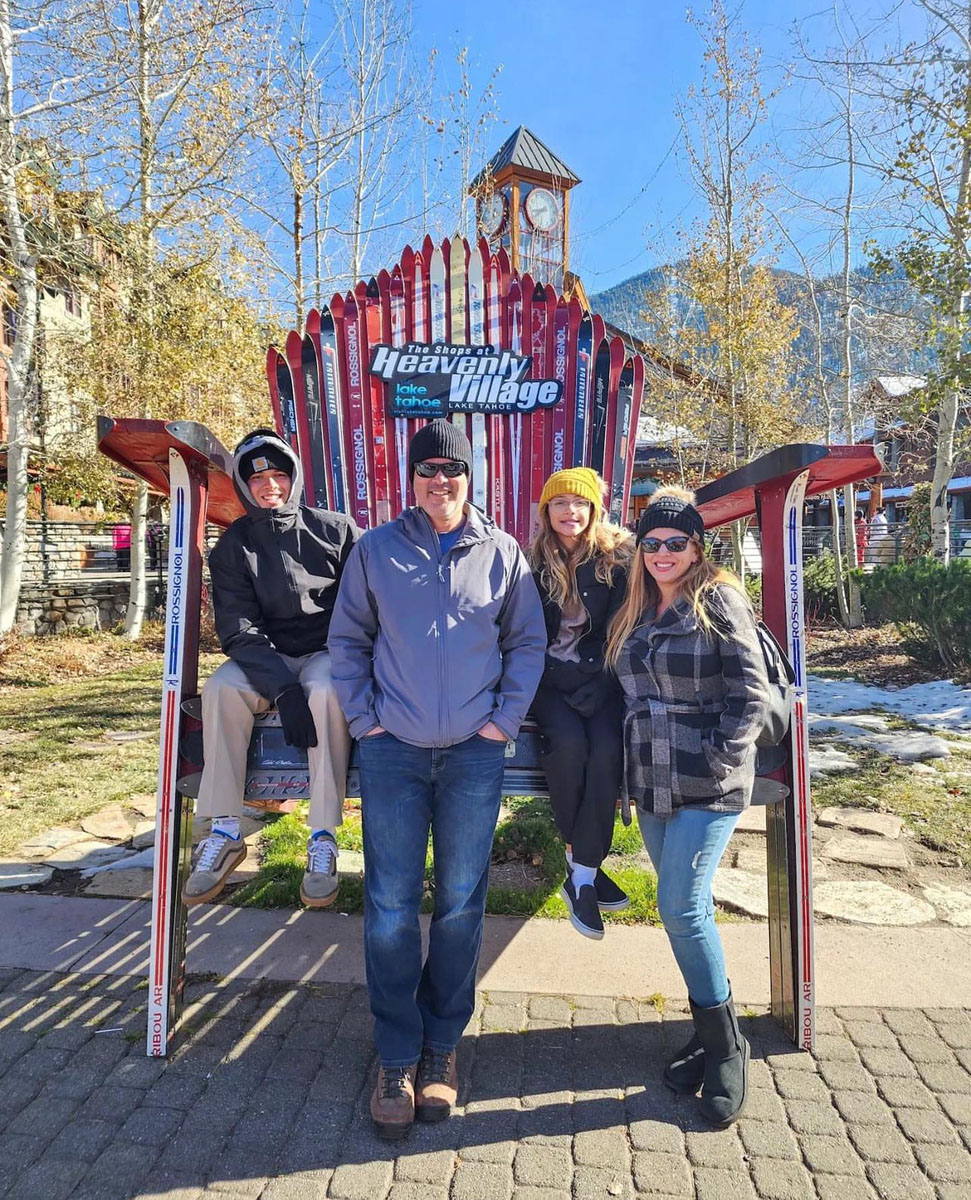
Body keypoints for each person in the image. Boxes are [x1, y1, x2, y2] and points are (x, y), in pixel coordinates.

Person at [329, 419, 546, 1141]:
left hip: (473, 755)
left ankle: (442, 1046)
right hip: (393, 751)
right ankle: (395, 1055)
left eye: (451, 471)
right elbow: (347, 641)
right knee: (389, 904)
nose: (439, 482)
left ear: (469, 477)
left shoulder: (503, 552)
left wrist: (502, 723)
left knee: (458, 903)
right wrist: (364, 723)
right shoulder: (375, 550)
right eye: (427, 471)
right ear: (411, 478)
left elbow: (526, 643)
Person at [605, 486, 769, 1128]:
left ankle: (727, 1046)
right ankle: (711, 1033)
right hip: (650, 777)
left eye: (676, 542)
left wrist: (718, 759)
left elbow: (750, 693)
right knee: (678, 912)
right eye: (651, 543)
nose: (663, 553)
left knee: (682, 905)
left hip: (706, 779)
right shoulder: (637, 604)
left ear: (697, 546)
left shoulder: (717, 595)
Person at [183, 429, 360, 911]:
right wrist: (282, 690)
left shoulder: (336, 530)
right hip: (266, 656)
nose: (269, 484)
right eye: (256, 477)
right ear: (244, 485)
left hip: (327, 651)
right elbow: (237, 628)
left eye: (278, 473)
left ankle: (322, 836)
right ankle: (223, 831)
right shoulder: (233, 547)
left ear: (294, 477)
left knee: (326, 693)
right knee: (221, 688)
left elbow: (365, 602)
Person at [528, 467, 632, 939]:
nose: (571, 512)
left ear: (595, 510)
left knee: (608, 750)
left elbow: (624, 629)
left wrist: (603, 680)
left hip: (602, 680)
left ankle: (582, 870)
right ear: (547, 511)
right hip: (549, 682)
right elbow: (523, 636)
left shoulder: (617, 560)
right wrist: (562, 677)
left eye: (580, 503)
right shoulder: (530, 562)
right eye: (560, 503)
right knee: (567, 748)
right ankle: (586, 870)